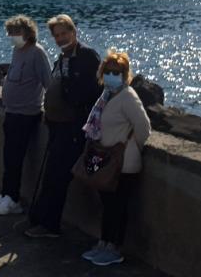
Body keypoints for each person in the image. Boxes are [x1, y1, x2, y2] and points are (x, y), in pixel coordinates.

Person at [26, 13, 102, 239]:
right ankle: (40, 219)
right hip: (57, 128)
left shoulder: (88, 57)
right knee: (50, 175)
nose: (60, 38)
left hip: (74, 130)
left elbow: (93, 93)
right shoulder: (61, 59)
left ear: (73, 31)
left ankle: (49, 226)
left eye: (64, 33)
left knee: (58, 177)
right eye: (56, 35)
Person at [80, 50, 152, 267]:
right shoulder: (106, 95)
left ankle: (114, 247)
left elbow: (144, 128)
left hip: (123, 163)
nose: (112, 75)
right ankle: (104, 242)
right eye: (109, 71)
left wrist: (130, 146)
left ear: (125, 73)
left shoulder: (128, 96)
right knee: (108, 205)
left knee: (117, 207)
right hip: (104, 160)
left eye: (117, 72)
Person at [0, 14, 49, 216]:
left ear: (27, 33)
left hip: (26, 114)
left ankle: (13, 199)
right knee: (8, 157)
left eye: (16, 33)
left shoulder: (37, 53)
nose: (13, 36)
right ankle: (5, 194)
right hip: (11, 112)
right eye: (11, 33)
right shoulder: (17, 51)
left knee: (16, 158)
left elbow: (48, 82)